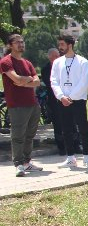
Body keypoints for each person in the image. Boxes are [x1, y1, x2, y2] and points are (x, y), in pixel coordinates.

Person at [0, 34, 43, 177]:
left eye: (22, 42)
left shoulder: (27, 63)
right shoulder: (6, 62)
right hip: (17, 105)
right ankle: (18, 164)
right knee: (18, 135)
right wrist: (26, 80)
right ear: (10, 45)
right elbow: (15, 78)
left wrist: (25, 81)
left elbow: (37, 81)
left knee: (30, 135)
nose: (21, 44)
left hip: (33, 103)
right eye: (17, 42)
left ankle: (27, 162)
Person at [50, 34, 88, 168]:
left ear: (70, 45)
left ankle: (86, 156)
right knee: (66, 129)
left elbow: (84, 82)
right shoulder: (57, 62)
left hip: (77, 100)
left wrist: (71, 97)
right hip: (62, 100)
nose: (60, 47)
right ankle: (70, 157)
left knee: (83, 128)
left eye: (62, 44)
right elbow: (54, 80)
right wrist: (61, 96)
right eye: (59, 44)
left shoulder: (82, 61)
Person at [40, 47, 66, 154]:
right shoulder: (46, 69)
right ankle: (61, 147)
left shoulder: (63, 66)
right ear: (49, 57)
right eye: (55, 56)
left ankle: (74, 144)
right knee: (58, 123)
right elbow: (50, 83)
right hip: (54, 100)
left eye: (58, 55)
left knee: (69, 122)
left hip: (65, 98)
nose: (57, 57)